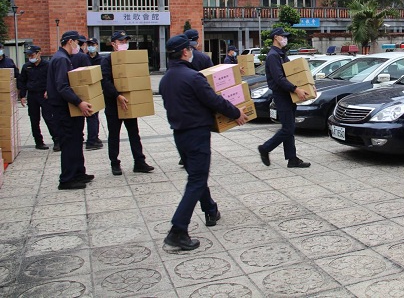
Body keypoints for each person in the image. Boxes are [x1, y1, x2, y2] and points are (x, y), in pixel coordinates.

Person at [160, 34, 247, 251]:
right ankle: (177, 231)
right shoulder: (193, 77)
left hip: (179, 134)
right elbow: (214, 100)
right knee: (196, 181)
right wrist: (236, 112)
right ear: (185, 52)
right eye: (190, 49)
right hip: (196, 134)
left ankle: (210, 209)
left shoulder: (166, 79)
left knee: (196, 177)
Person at [101, 30, 154, 176]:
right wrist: (117, 95)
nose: (124, 44)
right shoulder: (107, 61)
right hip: (113, 103)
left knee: (134, 133)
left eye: (126, 42)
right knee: (114, 134)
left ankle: (139, 162)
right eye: (121, 42)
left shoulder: (130, 59)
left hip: (128, 102)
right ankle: (115, 163)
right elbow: (105, 81)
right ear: (113, 44)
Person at [257, 28, 311, 168]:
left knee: (290, 127)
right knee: (287, 128)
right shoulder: (273, 56)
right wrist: (296, 89)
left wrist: (307, 86)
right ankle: (265, 148)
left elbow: (292, 75)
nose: (286, 39)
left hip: (288, 95)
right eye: (283, 36)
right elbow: (279, 79)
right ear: (276, 37)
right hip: (281, 95)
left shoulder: (281, 54)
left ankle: (292, 159)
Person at [47, 30, 94, 190]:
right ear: (70, 42)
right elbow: (62, 87)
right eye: (78, 43)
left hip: (68, 108)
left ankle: (79, 173)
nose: (79, 47)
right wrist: (79, 102)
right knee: (69, 143)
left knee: (76, 140)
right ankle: (67, 179)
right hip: (63, 110)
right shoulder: (61, 60)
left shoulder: (63, 58)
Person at [18, 45, 56, 150]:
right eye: (29, 55)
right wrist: (22, 96)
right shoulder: (26, 67)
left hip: (44, 95)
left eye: (32, 54)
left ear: (39, 53)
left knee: (49, 118)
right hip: (32, 95)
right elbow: (22, 81)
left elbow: (52, 80)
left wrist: (49, 91)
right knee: (34, 119)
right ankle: (39, 142)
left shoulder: (47, 65)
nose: (30, 57)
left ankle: (57, 141)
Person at [85, 37, 103, 150]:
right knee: (91, 115)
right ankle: (91, 140)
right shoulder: (84, 58)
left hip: (97, 89)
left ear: (97, 45)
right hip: (86, 89)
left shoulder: (101, 59)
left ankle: (94, 137)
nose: (91, 46)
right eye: (89, 44)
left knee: (94, 115)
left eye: (93, 44)